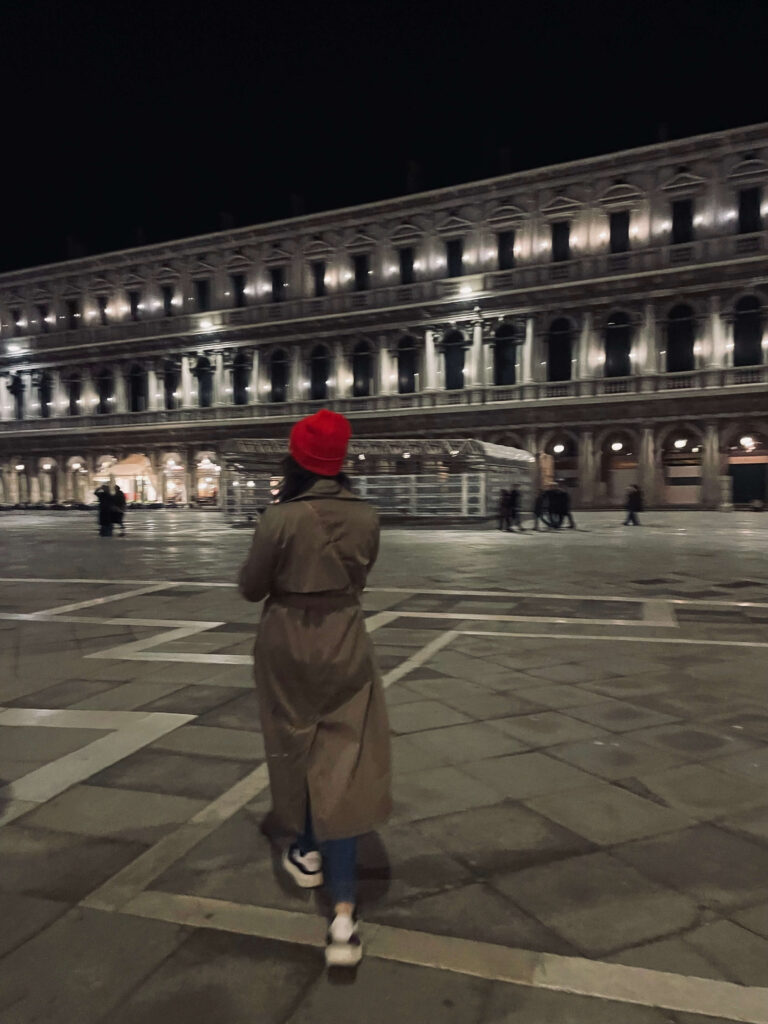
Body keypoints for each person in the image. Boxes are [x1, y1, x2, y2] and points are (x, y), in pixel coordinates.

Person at [238, 409, 391, 969]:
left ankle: (305, 849)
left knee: (294, 744)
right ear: (341, 459)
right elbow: (362, 576)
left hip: (286, 642)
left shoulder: (280, 518)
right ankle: (344, 916)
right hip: (345, 637)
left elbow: (251, 589)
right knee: (343, 756)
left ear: (297, 458)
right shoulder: (368, 515)